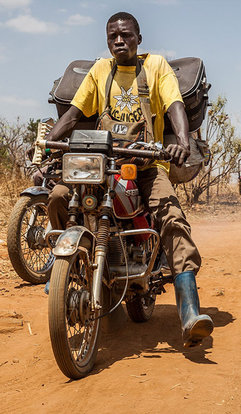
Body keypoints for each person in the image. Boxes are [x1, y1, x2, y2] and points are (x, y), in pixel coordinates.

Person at [43, 12, 213, 348]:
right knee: (59, 197)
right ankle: (72, 269)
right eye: (113, 36)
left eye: (126, 35)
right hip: (102, 164)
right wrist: (49, 143)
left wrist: (180, 142)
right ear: (107, 41)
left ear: (138, 38)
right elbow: (75, 113)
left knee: (172, 217)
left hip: (147, 164)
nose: (119, 41)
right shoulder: (100, 71)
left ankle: (189, 311)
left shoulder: (156, 66)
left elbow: (175, 104)